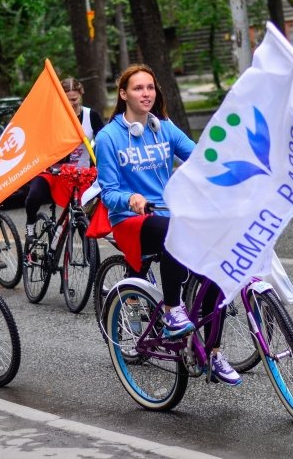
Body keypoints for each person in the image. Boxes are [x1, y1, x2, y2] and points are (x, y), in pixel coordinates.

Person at [94, 64, 241, 385]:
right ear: (123, 94)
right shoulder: (108, 137)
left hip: (166, 211)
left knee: (215, 265)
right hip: (131, 220)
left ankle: (213, 352)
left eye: (150, 87)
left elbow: (200, 158)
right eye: (138, 88)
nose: (146, 93)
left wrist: (232, 165)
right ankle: (173, 309)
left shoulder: (164, 129)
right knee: (175, 233)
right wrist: (131, 197)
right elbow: (108, 193)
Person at [24, 77, 104, 243]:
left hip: (81, 174)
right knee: (34, 196)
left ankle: (92, 262)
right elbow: (41, 142)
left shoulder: (91, 116)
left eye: (74, 99)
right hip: (55, 170)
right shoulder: (52, 117)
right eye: (67, 100)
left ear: (81, 95)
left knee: (83, 218)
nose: (71, 103)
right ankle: (30, 226)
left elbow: (105, 140)